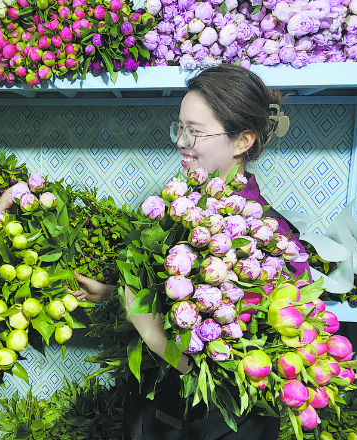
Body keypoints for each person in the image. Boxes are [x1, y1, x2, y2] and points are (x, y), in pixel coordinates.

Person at [72, 64, 310, 439]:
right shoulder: (181, 210)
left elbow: (248, 374)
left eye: (195, 131)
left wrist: (155, 338)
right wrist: (116, 295)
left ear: (242, 141)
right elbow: (164, 305)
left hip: (214, 428)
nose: (181, 141)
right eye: (179, 128)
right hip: (156, 412)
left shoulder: (273, 241)